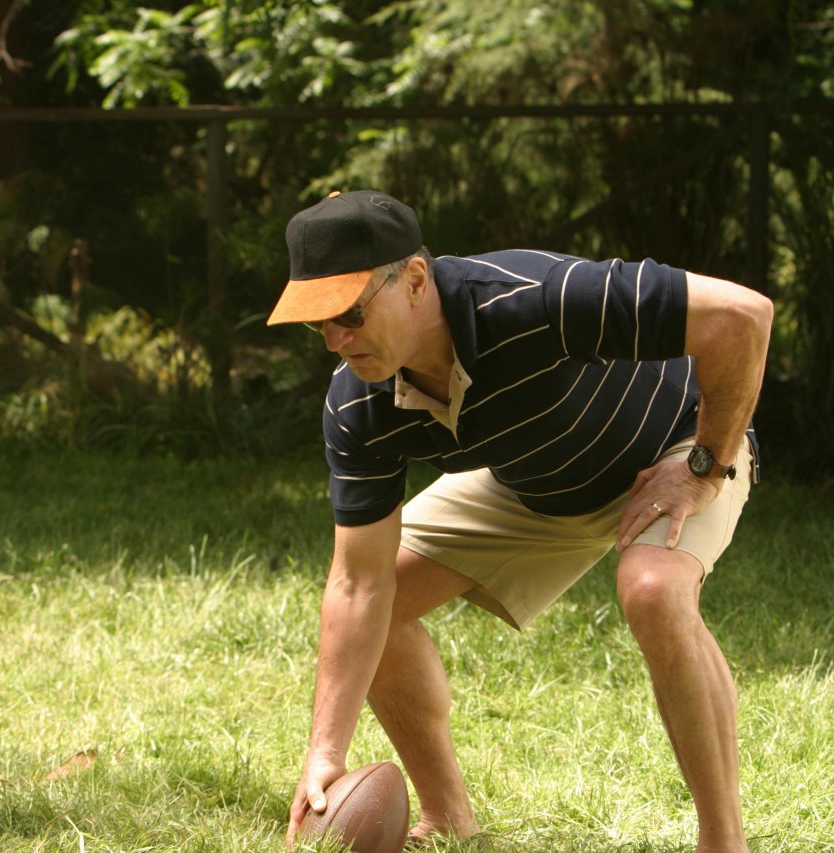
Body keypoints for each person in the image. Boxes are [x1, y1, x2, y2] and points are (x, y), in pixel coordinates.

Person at [272, 190, 771, 853]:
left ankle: (723, 841)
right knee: (385, 592)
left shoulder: (533, 298)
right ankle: (448, 815)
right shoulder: (358, 404)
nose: (337, 339)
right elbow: (358, 585)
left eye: (351, 313)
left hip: (672, 447)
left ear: (415, 279)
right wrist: (323, 752)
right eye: (319, 324)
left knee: (652, 589)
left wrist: (703, 465)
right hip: (534, 480)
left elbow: (742, 315)